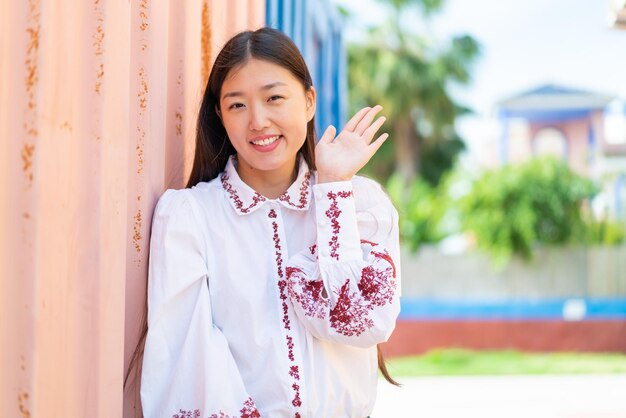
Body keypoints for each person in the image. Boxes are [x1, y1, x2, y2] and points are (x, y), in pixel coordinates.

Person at [140, 27, 401, 418]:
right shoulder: (189, 216)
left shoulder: (362, 204)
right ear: (219, 114)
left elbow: (360, 322)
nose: (258, 121)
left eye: (274, 97)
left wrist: (332, 191)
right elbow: (184, 354)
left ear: (309, 102)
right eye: (237, 105)